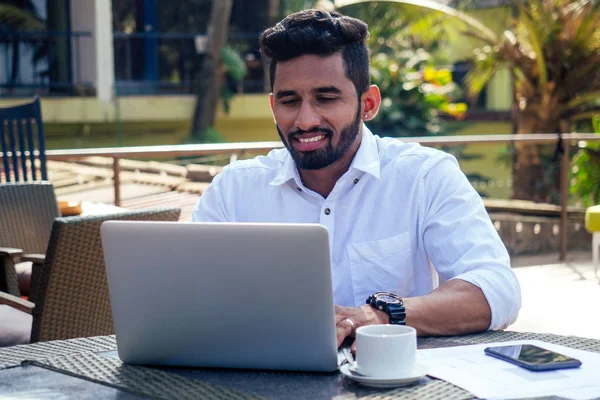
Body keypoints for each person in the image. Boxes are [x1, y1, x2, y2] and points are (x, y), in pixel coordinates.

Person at [192, 9, 521, 348]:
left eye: (326, 98)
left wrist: (377, 315)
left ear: (368, 103)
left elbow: (495, 289)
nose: (305, 120)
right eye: (290, 101)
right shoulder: (233, 191)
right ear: (274, 106)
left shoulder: (424, 176)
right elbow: (184, 293)